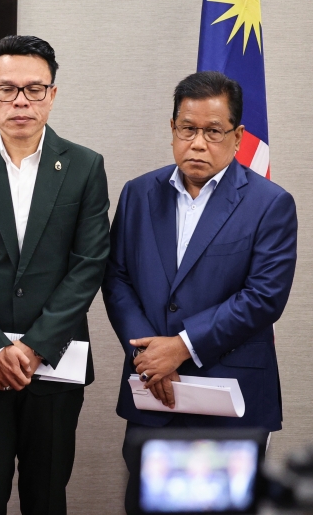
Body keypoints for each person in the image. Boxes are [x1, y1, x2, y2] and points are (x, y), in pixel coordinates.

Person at [102, 71, 297, 512]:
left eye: (213, 131)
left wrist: (182, 347)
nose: (197, 142)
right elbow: (117, 279)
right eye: (187, 129)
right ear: (173, 129)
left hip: (229, 398)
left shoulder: (270, 203)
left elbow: (265, 296)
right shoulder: (137, 194)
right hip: (153, 391)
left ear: (238, 136)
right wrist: (148, 355)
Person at [0, 35, 110, 514]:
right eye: (7, 90)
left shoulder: (85, 166)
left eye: (34, 89)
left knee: (46, 495)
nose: (21, 102)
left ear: (52, 94)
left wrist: (32, 347)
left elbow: (88, 263)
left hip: (54, 358)